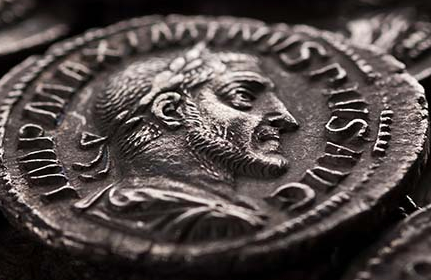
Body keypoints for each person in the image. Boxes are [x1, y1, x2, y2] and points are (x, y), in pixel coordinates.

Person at [75, 44, 300, 243]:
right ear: (169, 111)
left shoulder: (102, 206)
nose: (287, 119)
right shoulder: (213, 223)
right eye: (243, 96)